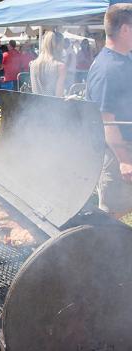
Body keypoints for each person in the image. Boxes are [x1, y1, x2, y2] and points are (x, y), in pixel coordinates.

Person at [85, 3, 132, 218]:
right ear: (124, 29)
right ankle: (99, 252)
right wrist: (123, 159)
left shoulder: (124, 59)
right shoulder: (107, 68)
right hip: (118, 152)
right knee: (113, 214)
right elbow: (106, 121)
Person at [30, 31, 66, 97]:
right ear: (58, 46)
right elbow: (58, 97)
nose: (62, 48)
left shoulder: (33, 64)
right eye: (62, 45)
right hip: (52, 106)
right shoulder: (60, 66)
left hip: (35, 105)